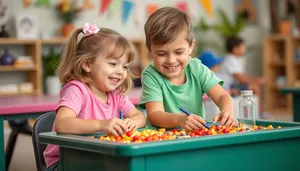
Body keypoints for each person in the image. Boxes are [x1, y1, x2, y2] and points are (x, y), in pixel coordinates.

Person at [43, 23, 146, 170]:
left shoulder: (116, 95)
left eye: (124, 66)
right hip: (65, 161)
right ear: (87, 64)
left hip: (97, 158)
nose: (120, 71)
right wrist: (102, 125)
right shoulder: (76, 90)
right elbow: (62, 123)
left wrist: (133, 121)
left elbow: (139, 115)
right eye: (112, 63)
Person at [138, 7, 238, 131]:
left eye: (179, 52)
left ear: (191, 47)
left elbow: (223, 96)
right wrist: (180, 120)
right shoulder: (151, 75)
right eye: (162, 54)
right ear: (150, 51)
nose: (171, 60)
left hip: (195, 138)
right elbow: (154, 115)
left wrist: (227, 112)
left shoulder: (196, 68)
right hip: (162, 141)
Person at [221, 36, 268, 118]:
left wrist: (255, 80)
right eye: (242, 47)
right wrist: (257, 80)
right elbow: (241, 79)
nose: (244, 49)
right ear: (235, 49)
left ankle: (258, 112)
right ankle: (259, 114)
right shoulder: (230, 60)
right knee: (255, 87)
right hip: (229, 86)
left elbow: (243, 77)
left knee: (254, 85)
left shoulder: (235, 60)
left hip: (233, 85)